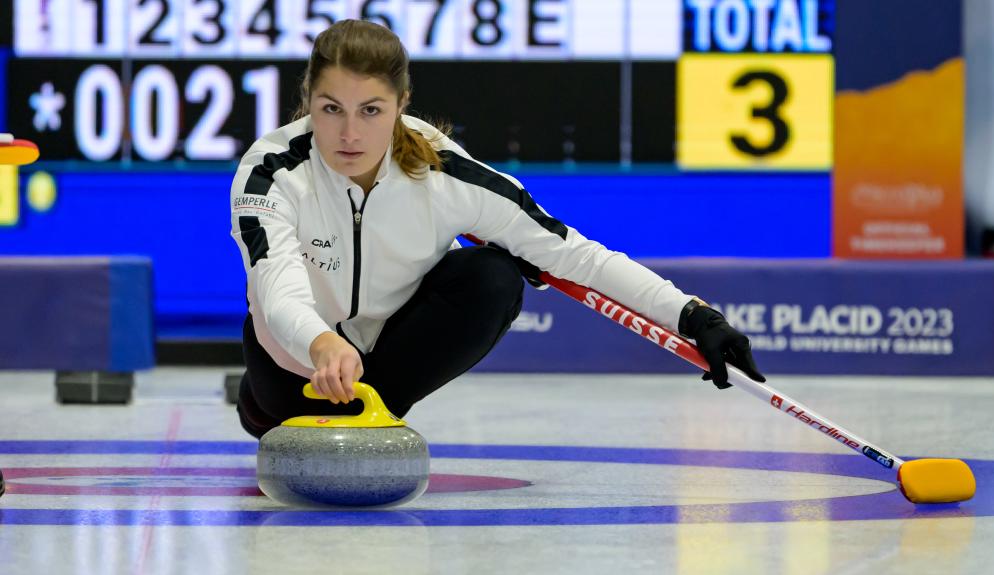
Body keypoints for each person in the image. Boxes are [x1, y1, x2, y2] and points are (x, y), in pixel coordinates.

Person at [230, 20, 765, 439]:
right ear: (307, 105)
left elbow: (574, 256)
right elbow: (277, 285)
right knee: (275, 385)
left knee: (495, 275)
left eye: (371, 110)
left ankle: (376, 414)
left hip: (383, 369)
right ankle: (259, 406)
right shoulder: (271, 171)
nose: (349, 133)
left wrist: (694, 316)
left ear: (401, 105)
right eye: (331, 110)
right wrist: (321, 343)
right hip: (292, 366)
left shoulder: (444, 173)